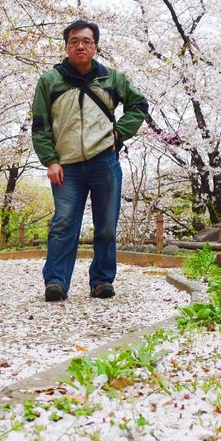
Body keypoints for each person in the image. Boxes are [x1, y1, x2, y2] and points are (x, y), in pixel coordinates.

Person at [30, 19, 148, 302]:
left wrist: (119, 134)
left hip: (104, 160)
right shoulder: (50, 81)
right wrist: (50, 160)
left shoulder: (112, 79)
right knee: (63, 224)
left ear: (95, 46)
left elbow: (139, 105)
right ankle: (56, 282)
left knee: (106, 224)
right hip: (66, 166)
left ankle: (102, 281)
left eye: (86, 41)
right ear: (66, 46)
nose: (80, 46)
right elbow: (40, 125)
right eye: (74, 41)